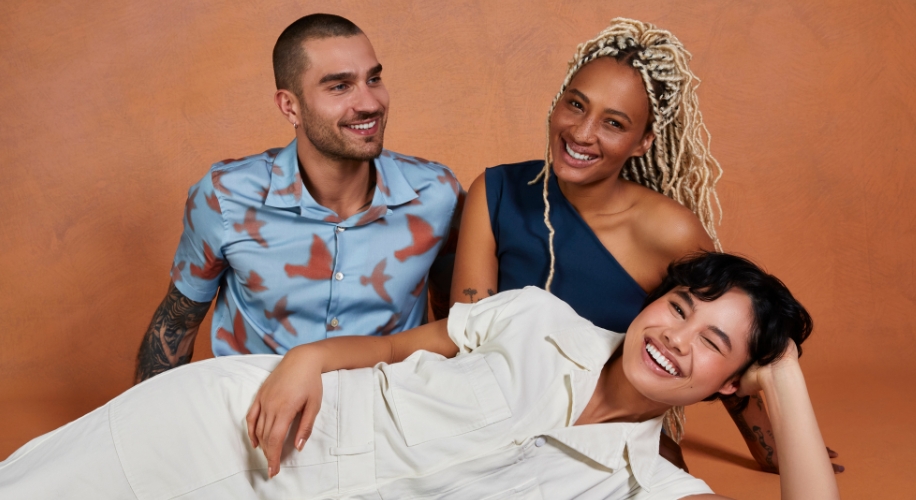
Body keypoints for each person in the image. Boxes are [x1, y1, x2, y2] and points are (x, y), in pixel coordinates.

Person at [0, 253, 840, 499]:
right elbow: (403, 348)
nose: (677, 337)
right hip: (234, 422)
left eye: (716, 344)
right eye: (682, 306)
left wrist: (788, 373)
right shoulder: (540, 318)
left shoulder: (647, 487)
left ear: (738, 382)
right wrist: (305, 357)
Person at [449, 18, 839, 472]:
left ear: (643, 142)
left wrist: (771, 446)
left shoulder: (669, 232)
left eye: (614, 123)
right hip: (497, 411)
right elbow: (467, 337)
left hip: (609, 431)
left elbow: (727, 333)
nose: (581, 132)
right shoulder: (496, 191)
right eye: (576, 105)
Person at [134, 14, 462, 383]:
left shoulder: (437, 194)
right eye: (340, 86)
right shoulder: (226, 197)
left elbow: (457, 327)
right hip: (256, 417)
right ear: (290, 107)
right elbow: (175, 327)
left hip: (386, 416)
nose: (369, 103)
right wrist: (148, 434)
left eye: (373, 79)